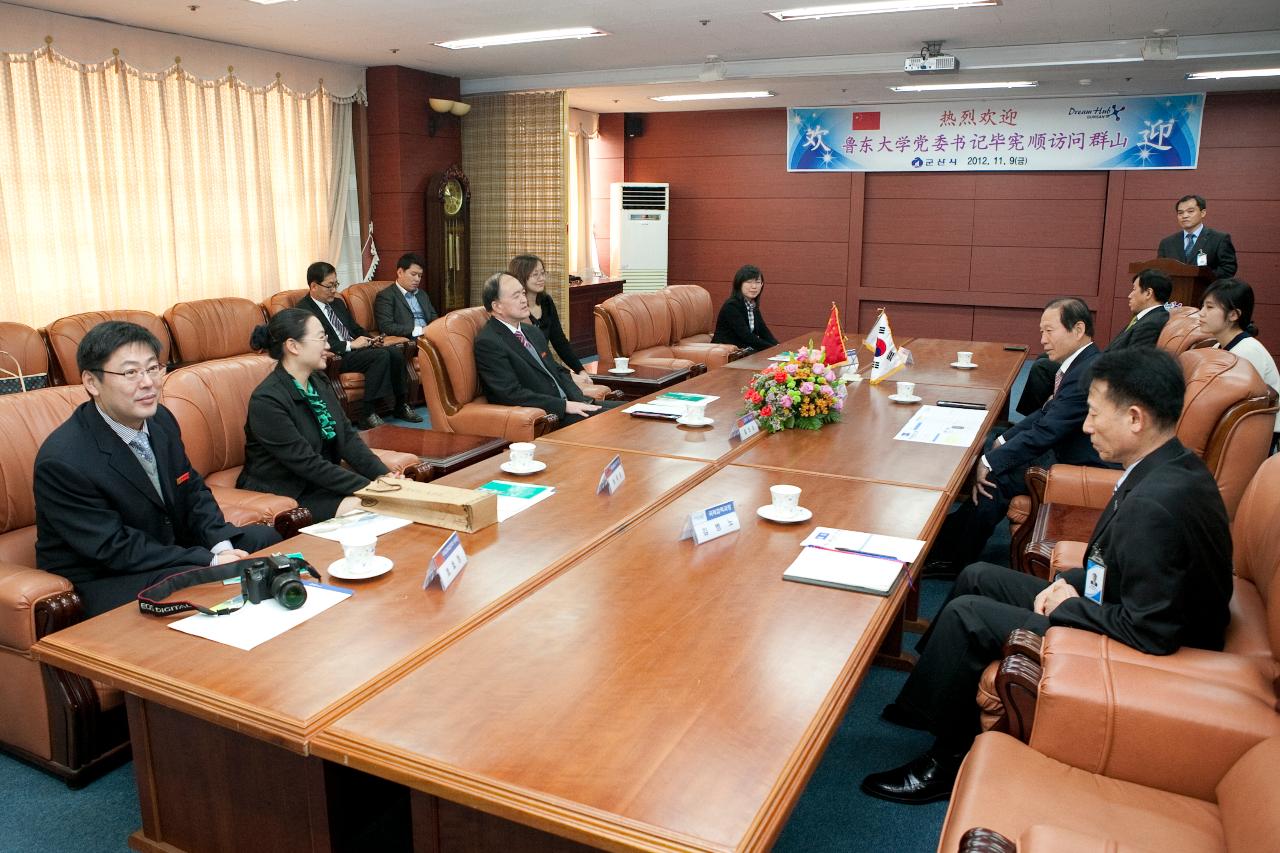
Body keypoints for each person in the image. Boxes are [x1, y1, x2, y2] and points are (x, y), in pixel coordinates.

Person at [863, 347, 1233, 804]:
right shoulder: (1164, 466)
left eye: (1095, 414)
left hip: (1149, 646)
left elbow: (1153, 631)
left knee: (968, 615)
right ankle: (930, 700)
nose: (1086, 426)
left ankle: (946, 761)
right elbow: (1118, 565)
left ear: (1135, 418)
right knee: (978, 575)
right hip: (1114, 602)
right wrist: (1072, 582)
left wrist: (1070, 605)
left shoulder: (1156, 503)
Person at [33, 321, 281, 616]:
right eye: (130, 372)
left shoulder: (160, 419)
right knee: (193, 581)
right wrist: (210, 562)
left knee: (263, 541)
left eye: (153, 368)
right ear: (91, 382)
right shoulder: (64, 460)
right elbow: (115, 547)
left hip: (166, 547)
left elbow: (192, 491)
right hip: (106, 574)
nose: (148, 382)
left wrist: (220, 546)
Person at [926, 297, 1111, 575]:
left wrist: (991, 462)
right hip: (1062, 448)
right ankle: (943, 541)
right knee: (991, 453)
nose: (1043, 339)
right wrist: (1002, 441)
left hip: (1078, 463)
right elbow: (1046, 412)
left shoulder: (1087, 371)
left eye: (1050, 331)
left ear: (1078, 329)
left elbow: (1048, 429)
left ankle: (955, 559)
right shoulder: (1082, 363)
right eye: (1041, 331)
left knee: (994, 480)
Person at [238, 309, 394, 522]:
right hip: (286, 491)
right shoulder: (267, 400)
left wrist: (384, 477)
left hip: (320, 483)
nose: (328, 346)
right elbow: (307, 463)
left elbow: (347, 438)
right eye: (321, 338)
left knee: (390, 502)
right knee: (373, 506)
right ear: (293, 346)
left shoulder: (318, 381)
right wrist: (372, 488)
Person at [1017, 269, 1172, 415]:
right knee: (1043, 358)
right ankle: (1035, 417)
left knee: (1042, 367)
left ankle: (1036, 418)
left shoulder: (1152, 322)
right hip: (1102, 364)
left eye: (1134, 289)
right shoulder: (1146, 318)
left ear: (1148, 293)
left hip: (1105, 376)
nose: (1129, 295)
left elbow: (1132, 363)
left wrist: (1093, 364)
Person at [474, 272, 617, 427]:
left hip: (570, 404)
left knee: (628, 411)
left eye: (523, 293)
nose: (524, 299)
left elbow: (557, 371)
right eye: (516, 296)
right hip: (549, 415)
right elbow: (510, 394)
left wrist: (580, 400)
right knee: (616, 423)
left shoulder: (531, 331)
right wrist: (565, 406)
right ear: (497, 306)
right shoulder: (489, 342)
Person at [299, 260, 421, 430]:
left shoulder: (338, 303)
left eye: (336, 284)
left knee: (394, 352)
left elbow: (355, 328)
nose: (334, 290)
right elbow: (318, 342)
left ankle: (401, 405)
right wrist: (351, 344)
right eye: (329, 286)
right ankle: (367, 414)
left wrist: (371, 340)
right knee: (381, 356)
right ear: (313, 286)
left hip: (356, 349)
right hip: (338, 355)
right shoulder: (304, 310)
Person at [1197, 277, 1280, 433]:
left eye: (1209, 307)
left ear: (1234, 315)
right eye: (1202, 306)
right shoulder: (1218, 346)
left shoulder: (1248, 351)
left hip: (1261, 436)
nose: (1201, 313)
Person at [1156, 194, 1237, 279]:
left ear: (1203, 213)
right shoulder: (1167, 243)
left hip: (1206, 290)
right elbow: (1160, 271)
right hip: (1176, 290)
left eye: (1190, 211)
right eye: (1180, 213)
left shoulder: (1219, 239)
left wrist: (1202, 278)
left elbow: (1228, 269)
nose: (1185, 216)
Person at [711, 264, 778, 352]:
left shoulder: (752, 305)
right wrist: (772, 349)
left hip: (744, 349)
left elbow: (763, 330)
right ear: (739, 284)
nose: (754, 286)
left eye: (757, 282)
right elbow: (746, 336)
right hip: (728, 352)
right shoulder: (731, 306)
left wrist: (778, 346)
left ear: (762, 285)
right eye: (749, 282)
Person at [373, 252, 437, 340]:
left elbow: (433, 317)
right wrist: (420, 330)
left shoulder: (422, 294)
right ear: (400, 272)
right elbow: (386, 327)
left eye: (420, 276)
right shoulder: (386, 296)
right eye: (413, 274)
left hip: (431, 335)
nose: (417, 279)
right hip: (411, 338)